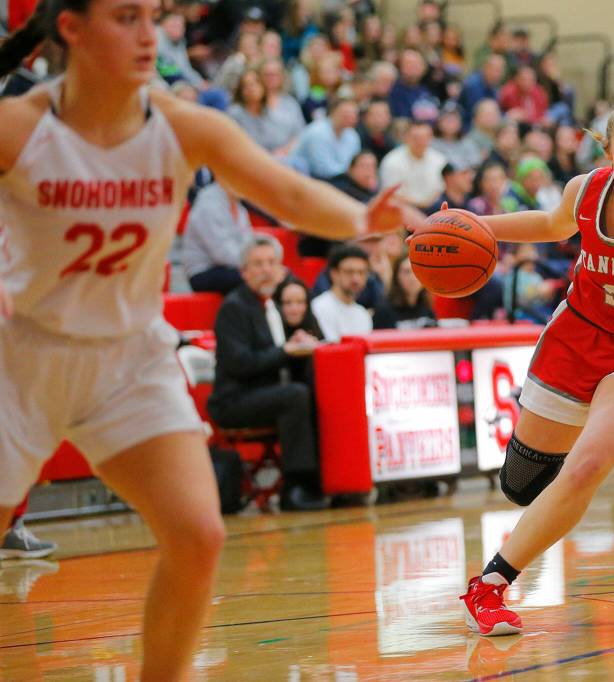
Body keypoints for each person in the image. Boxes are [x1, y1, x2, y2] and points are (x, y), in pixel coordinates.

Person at [0, 1, 415, 677]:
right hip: (22, 355)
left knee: (197, 536)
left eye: (152, 17)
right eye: (126, 18)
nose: (148, 36)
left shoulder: (183, 125)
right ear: (70, 29)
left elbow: (288, 194)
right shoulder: (19, 127)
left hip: (128, 358)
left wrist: (361, 217)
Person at [436, 98, 614, 635]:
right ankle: (550, 502)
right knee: (521, 485)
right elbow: (551, 224)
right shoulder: (585, 190)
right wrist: (472, 225)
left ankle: (490, 585)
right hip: (577, 335)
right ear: (607, 147)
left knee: (587, 466)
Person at [207, 235, 328, 512]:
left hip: (263, 394)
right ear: (244, 271)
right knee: (295, 396)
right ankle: (296, 487)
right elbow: (240, 364)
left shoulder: (272, 304)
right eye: (258, 264)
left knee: (316, 390)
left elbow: (280, 350)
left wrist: (297, 342)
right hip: (233, 400)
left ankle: (326, 479)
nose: (266, 270)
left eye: (272, 263)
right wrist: (286, 351)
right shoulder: (234, 308)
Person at [181, 180, 253, 294]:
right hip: (202, 272)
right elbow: (222, 254)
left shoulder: (239, 207)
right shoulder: (208, 205)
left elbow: (249, 243)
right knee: (256, 276)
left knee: (269, 274)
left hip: (232, 267)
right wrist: (253, 264)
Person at [311, 243, 374, 341]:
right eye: (349, 272)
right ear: (334, 273)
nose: (356, 279)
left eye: (361, 272)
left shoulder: (363, 314)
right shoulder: (319, 307)